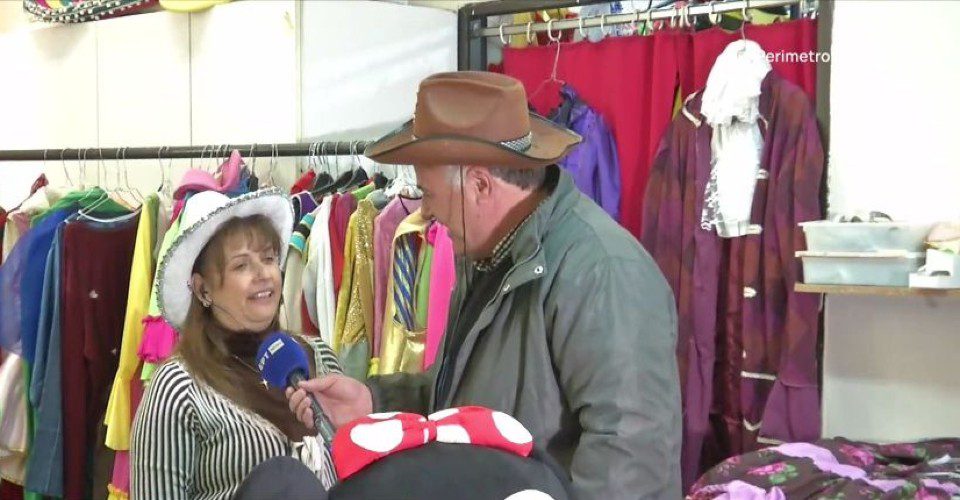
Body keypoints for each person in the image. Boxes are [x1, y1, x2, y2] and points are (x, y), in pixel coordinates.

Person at [287, 71, 682, 498]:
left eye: (428, 193)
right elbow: (460, 398)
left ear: (479, 185)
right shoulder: (491, 255)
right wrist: (372, 402)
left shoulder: (603, 271)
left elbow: (634, 464)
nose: (425, 211)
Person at [131, 188, 341, 499]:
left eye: (268, 258)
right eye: (241, 265)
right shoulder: (178, 387)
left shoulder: (320, 356)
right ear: (203, 290)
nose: (263, 273)